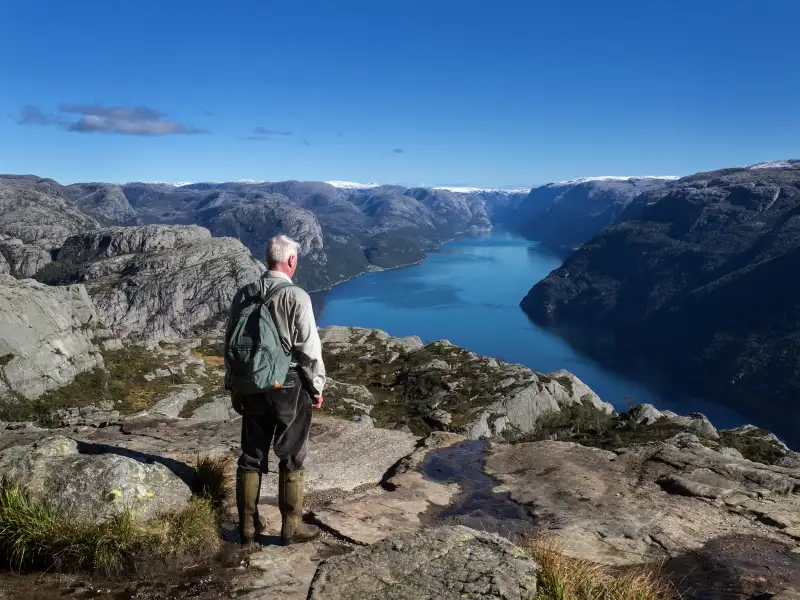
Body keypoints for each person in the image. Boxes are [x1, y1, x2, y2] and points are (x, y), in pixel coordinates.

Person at [226, 234, 326, 546]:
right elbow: (309, 348)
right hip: (289, 384)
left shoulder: (245, 294)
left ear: (268, 258)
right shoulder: (296, 296)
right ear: (291, 260)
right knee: (292, 455)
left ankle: (246, 527)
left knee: (251, 456)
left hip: (252, 384)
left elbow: (229, 342)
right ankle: (290, 528)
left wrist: (234, 385)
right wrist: (318, 385)